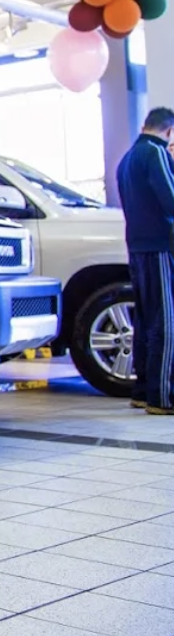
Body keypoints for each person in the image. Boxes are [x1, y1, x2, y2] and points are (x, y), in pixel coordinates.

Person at [116, 107, 174, 414]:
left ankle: (142, 390)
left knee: (146, 320)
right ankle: (162, 397)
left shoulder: (126, 159)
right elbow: (171, 200)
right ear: (169, 131)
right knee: (165, 322)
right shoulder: (155, 153)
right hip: (159, 246)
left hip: (136, 247)